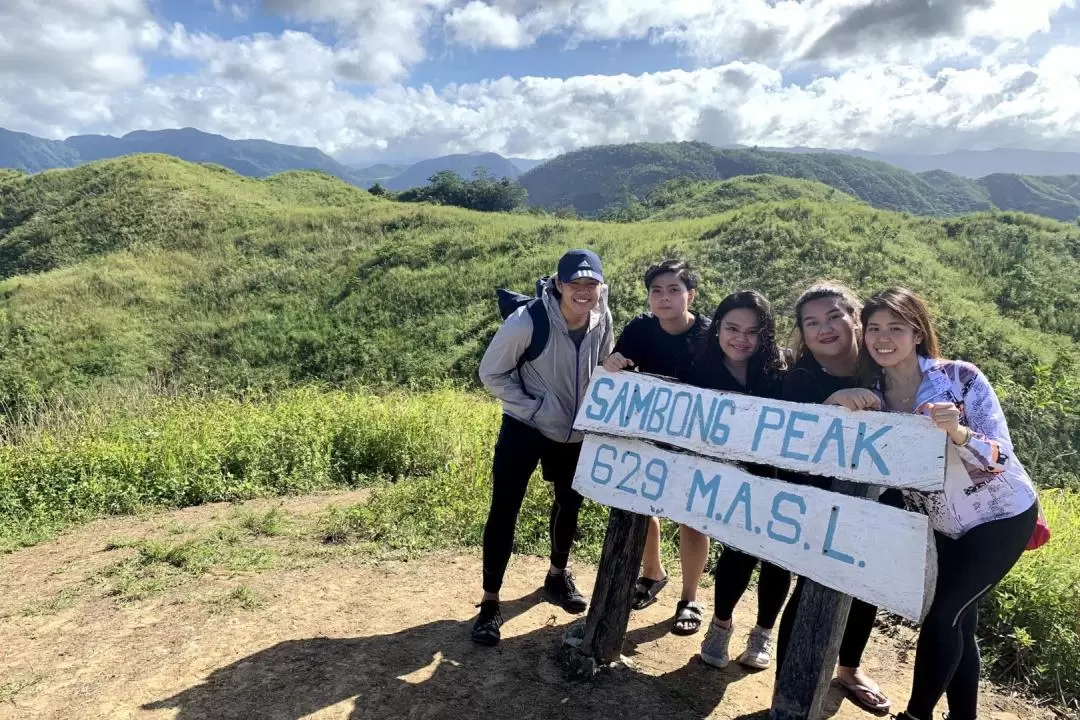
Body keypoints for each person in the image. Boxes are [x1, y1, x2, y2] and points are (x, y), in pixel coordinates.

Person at [838, 287, 1038, 720]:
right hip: (945, 523)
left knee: (944, 614)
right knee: (960, 620)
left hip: (1002, 514)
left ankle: (915, 716)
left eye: (896, 327)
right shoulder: (871, 393)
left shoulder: (960, 378)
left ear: (917, 332)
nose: (883, 338)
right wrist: (836, 405)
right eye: (874, 328)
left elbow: (1001, 455)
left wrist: (960, 433)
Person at [472, 249, 614, 646]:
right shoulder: (527, 321)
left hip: (575, 431)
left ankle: (556, 576)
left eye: (591, 284)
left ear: (601, 287)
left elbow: (603, 366)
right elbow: (491, 373)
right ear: (559, 284)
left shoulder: (602, 317)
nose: (583, 292)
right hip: (525, 427)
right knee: (505, 509)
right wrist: (535, 408)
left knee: (569, 504)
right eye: (575, 284)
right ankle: (490, 603)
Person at [772, 281, 895, 713]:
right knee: (810, 587)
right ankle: (789, 689)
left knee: (866, 583)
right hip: (817, 506)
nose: (824, 328)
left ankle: (849, 667)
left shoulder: (885, 366)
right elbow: (789, 449)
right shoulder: (800, 378)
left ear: (855, 318)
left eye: (833, 317)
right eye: (811, 322)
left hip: (883, 502)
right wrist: (829, 405)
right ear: (801, 334)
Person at [602, 259, 712, 634]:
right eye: (656, 291)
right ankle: (652, 573)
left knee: (691, 518)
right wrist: (614, 363)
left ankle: (689, 597)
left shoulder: (710, 336)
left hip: (696, 440)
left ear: (691, 295)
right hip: (648, 434)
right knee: (641, 504)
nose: (664, 298)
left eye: (674, 290)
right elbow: (617, 368)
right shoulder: (640, 328)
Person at [690, 291, 792, 670]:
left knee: (777, 557)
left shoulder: (783, 369)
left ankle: (763, 633)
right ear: (717, 327)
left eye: (753, 331)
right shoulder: (699, 370)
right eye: (732, 328)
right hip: (729, 481)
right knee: (737, 551)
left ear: (765, 335)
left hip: (781, 480)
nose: (741, 339)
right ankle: (720, 625)